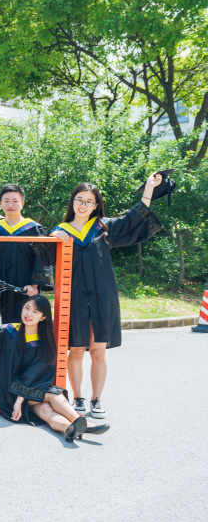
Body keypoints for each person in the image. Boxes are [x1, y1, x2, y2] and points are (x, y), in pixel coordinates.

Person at [43, 174, 164, 418]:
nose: (83, 205)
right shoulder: (59, 231)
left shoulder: (104, 227)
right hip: (73, 295)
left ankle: (96, 399)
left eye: (89, 201)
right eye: (80, 200)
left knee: (98, 350)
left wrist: (149, 189)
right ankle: (77, 397)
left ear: (96, 205)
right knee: (76, 349)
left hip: (102, 295)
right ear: (72, 202)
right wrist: (51, 240)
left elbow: (133, 218)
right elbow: (43, 258)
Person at [0, 295, 109, 441]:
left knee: (45, 410)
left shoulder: (44, 342)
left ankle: (69, 429)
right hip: (10, 393)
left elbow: (34, 374)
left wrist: (21, 399)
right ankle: (83, 422)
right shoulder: (8, 331)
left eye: (35, 312)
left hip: (27, 392)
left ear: (43, 317)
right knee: (53, 394)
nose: (29, 314)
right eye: (27, 308)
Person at [0, 184, 52, 324]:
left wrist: (35, 285)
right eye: (6, 201)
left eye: (15, 201)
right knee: (2, 323)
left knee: (26, 322)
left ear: (22, 203)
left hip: (26, 286)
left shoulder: (35, 229)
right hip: (1, 283)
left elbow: (42, 259)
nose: (10, 204)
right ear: (0, 204)